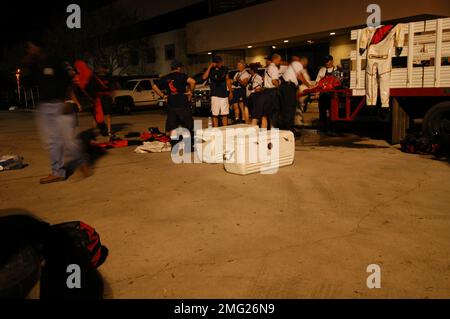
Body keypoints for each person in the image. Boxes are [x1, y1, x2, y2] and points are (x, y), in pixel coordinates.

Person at [24, 39, 91, 184]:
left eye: (32, 47)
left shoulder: (55, 60)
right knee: (51, 141)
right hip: (43, 107)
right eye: (29, 48)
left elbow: (69, 81)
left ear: (39, 47)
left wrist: (68, 101)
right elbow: (27, 84)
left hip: (60, 104)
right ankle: (58, 172)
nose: (30, 50)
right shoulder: (34, 64)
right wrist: (28, 65)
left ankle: (81, 161)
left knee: (69, 140)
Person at [152, 60, 196, 139]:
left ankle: (173, 141)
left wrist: (163, 96)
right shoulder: (182, 76)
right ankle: (187, 140)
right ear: (178, 68)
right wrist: (190, 92)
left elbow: (154, 87)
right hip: (182, 101)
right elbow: (193, 82)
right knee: (186, 123)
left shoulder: (165, 77)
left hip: (171, 101)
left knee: (172, 123)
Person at [279, 56, 310, 132]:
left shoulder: (294, 65)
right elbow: (300, 77)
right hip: (288, 87)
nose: (305, 66)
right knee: (290, 108)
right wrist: (309, 85)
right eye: (305, 64)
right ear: (303, 62)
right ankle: (289, 129)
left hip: (286, 87)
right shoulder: (298, 64)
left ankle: (286, 127)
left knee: (286, 108)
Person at [202, 56, 233, 127]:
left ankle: (224, 129)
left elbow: (227, 80)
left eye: (221, 62)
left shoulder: (225, 69)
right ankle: (215, 130)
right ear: (214, 63)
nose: (220, 63)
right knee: (215, 114)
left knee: (225, 114)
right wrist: (210, 67)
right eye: (218, 62)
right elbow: (204, 77)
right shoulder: (211, 70)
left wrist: (231, 92)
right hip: (215, 94)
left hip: (224, 94)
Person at [258, 53, 282, 129]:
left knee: (265, 114)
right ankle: (273, 133)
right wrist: (279, 86)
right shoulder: (274, 68)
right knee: (274, 113)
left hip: (266, 92)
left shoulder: (267, 68)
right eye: (279, 60)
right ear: (275, 59)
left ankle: (264, 133)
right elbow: (274, 81)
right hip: (272, 93)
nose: (280, 62)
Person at [316, 55, 339, 132]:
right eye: (326, 61)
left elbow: (338, 82)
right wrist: (317, 93)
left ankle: (333, 129)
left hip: (332, 95)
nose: (327, 63)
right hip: (323, 95)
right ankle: (323, 129)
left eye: (328, 61)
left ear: (332, 60)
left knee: (333, 112)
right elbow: (317, 82)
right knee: (322, 112)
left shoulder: (336, 69)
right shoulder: (322, 70)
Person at [94, 65, 114, 138]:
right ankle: (96, 132)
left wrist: (112, 96)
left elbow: (112, 87)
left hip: (106, 98)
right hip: (98, 98)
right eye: (100, 68)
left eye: (103, 68)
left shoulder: (109, 77)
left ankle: (109, 131)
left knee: (108, 115)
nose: (101, 69)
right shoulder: (95, 77)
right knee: (97, 116)